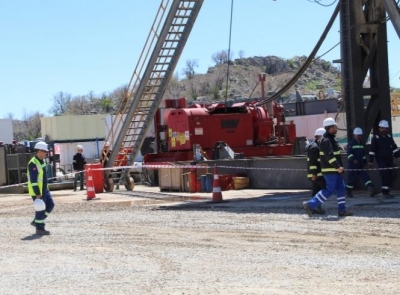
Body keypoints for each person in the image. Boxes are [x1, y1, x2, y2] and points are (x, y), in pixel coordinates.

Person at [303, 118, 353, 217]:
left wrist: (338, 168)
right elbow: (329, 156)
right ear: (330, 128)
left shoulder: (331, 139)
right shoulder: (326, 140)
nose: (336, 129)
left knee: (341, 188)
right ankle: (310, 204)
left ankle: (342, 210)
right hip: (330, 170)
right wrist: (338, 167)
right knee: (329, 190)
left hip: (335, 171)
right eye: (334, 127)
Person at [27, 141, 55, 235]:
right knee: (40, 209)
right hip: (38, 191)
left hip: (44, 189)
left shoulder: (41, 161)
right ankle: (40, 228)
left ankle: (37, 221)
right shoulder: (33, 163)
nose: (46, 153)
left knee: (50, 205)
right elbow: (33, 181)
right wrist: (37, 193)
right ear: (39, 151)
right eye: (44, 151)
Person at [368, 120, 400, 198]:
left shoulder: (389, 138)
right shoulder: (376, 138)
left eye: (385, 128)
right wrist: (370, 162)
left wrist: (398, 156)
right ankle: (385, 193)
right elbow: (372, 151)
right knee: (385, 174)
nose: (384, 130)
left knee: (390, 174)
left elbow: (394, 148)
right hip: (381, 160)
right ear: (379, 128)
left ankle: (384, 190)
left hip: (389, 159)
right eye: (382, 128)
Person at [346, 127, 379, 198]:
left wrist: (365, 162)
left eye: (360, 135)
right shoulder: (351, 144)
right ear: (354, 135)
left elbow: (363, 155)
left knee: (366, 177)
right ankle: (348, 192)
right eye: (358, 135)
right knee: (351, 179)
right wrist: (353, 159)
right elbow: (349, 153)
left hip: (360, 164)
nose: (359, 137)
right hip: (353, 165)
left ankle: (371, 190)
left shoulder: (362, 144)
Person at [306, 127, 326, 214]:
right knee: (325, 187)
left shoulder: (317, 145)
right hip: (315, 174)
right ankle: (315, 206)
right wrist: (314, 174)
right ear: (319, 136)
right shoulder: (314, 147)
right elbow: (313, 162)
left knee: (316, 190)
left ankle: (313, 207)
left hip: (316, 173)